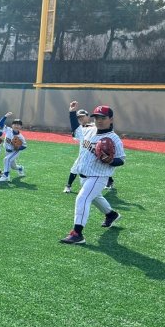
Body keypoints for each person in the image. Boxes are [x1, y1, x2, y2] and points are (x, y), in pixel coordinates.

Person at [60, 102, 125, 245]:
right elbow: (76, 130)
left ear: (111, 119)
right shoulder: (88, 130)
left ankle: (77, 234)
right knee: (96, 197)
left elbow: (121, 160)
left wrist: (110, 160)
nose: (99, 120)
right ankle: (111, 214)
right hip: (84, 175)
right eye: (96, 117)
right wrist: (72, 113)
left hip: (98, 176)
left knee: (82, 199)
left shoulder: (114, 138)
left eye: (103, 117)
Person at [64, 108, 91, 193]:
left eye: (83, 116)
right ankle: (68, 186)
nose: (81, 118)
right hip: (82, 155)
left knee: (99, 170)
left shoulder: (95, 127)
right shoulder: (80, 129)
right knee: (74, 169)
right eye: (79, 117)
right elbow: (75, 130)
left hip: (95, 155)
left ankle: (109, 181)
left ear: (88, 116)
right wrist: (72, 112)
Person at [0, 118, 27, 183]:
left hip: (15, 152)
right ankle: (20, 168)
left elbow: (24, 146)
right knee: (13, 166)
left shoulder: (20, 137)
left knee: (6, 159)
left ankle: (6, 176)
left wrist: (17, 148)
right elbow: (0, 123)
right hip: (7, 151)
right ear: (12, 125)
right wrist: (5, 116)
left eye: (18, 125)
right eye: (15, 124)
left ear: (20, 127)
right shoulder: (8, 130)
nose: (16, 126)